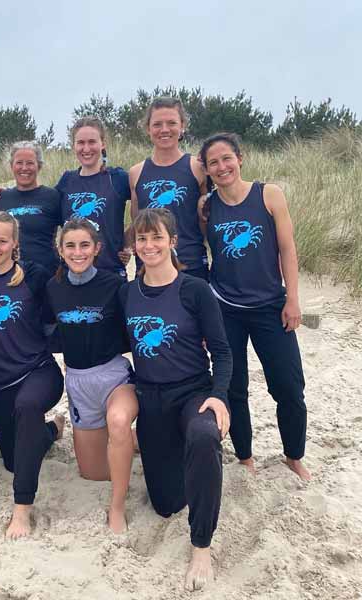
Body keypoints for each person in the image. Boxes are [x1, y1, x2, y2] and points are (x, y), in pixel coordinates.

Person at [119, 208, 232, 591]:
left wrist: (218, 397)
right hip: (151, 398)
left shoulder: (194, 289)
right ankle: (198, 468)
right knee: (165, 503)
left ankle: (202, 544)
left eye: (156, 237)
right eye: (142, 238)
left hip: (193, 391)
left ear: (172, 241)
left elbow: (223, 351)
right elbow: (110, 343)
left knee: (203, 436)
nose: (149, 245)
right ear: (134, 245)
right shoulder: (127, 292)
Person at [198, 132, 310, 481]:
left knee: (289, 386)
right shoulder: (207, 207)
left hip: (270, 306)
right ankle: (245, 456)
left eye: (227, 158)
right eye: (213, 162)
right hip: (225, 308)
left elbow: (287, 249)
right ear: (207, 169)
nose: (222, 167)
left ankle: (294, 455)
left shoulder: (269, 194)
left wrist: (292, 298)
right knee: (234, 387)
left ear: (240, 158)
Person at [0, 211, 64, 540]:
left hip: (38, 372)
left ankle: (22, 510)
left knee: (26, 408)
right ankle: (52, 430)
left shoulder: (34, 275)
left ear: (15, 243)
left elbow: (54, 318)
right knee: (13, 458)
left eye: (3, 240)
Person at [46, 218, 137, 533]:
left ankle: (117, 506)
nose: (77, 251)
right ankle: (132, 441)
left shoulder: (115, 285)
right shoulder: (53, 287)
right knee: (95, 473)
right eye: (70, 245)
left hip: (113, 375)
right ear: (60, 250)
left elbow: (140, 323)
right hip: (78, 381)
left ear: (97, 248)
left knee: (119, 422)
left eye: (85, 244)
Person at [130, 97, 209, 280]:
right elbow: (136, 223)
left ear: (182, 126)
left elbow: (207, 220)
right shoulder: (136, 173)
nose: (164, 130)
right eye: (157, 124)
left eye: (171, 123)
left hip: (190, 265)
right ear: (148, 129)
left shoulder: (198, 168)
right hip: (149, 267)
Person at [56, 117, 131, 278]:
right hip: (73, 274)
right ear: (74, 145)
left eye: (92, 142)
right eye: (81, 143)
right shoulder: (66, 181)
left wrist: (127, 242)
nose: (86, 148)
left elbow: (146, 207)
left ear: (102, 143)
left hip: (109, 272)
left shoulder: (117, 178)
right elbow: (44, 213)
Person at [0, 141, 61, 278]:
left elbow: (70, 229)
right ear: (12, 166)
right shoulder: (2, 197)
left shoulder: (52, 196)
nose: (24, 168)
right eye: (19, 163)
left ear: (39, 166)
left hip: (47, 275)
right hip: (8, 275)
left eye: (30, 163)